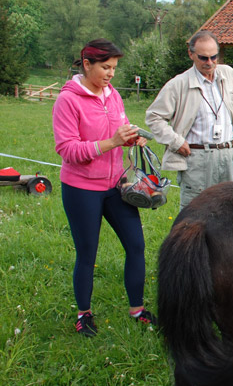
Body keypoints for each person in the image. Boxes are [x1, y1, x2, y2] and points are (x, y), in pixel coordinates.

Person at [52, 39, 156, 337]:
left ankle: (137, 309)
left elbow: (118, 127)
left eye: (114, 68)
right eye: (105, 68)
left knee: (136, 246)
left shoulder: (113, 96)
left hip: (116, 186)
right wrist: (111, 142)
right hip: (81, 189)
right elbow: (67, 149)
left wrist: (131, 136)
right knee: (87, 253)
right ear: (87, 64)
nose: (111, 74)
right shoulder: (68, 100)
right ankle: (84, 314)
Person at [145, 30, 233, 210]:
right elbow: (154, 117)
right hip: (197, 158)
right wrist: (175, 141)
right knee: (195, 215)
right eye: (203, 58)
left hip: (228, 155)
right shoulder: (178, 84)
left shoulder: (229, 75)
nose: (209, 63)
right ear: (191, 54)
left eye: (214, 57)